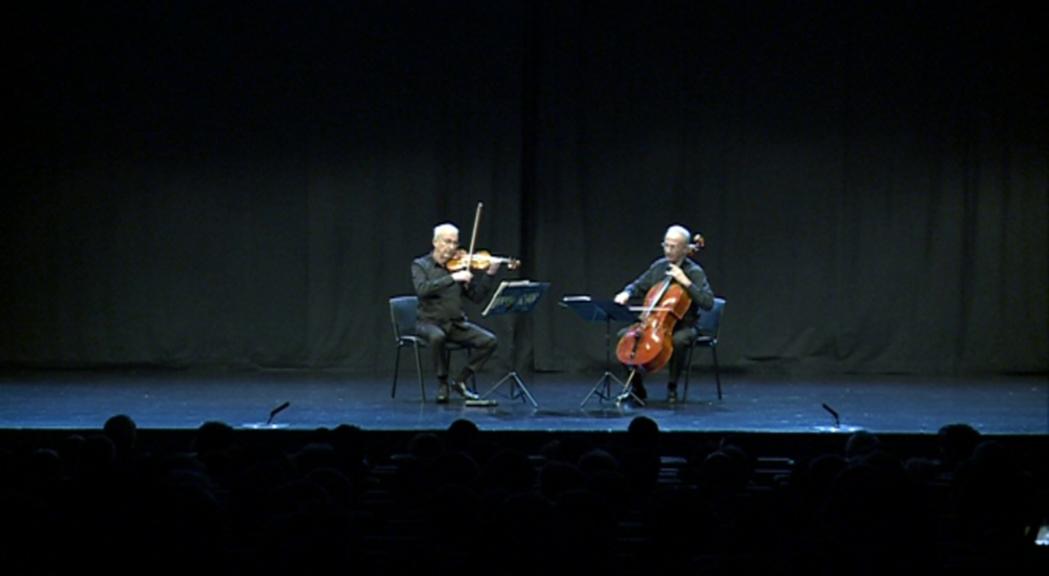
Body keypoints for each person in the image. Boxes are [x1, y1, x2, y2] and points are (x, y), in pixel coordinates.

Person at [613, 225, 714, 404]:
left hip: (685, 324)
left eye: (673, 246)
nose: (668, 250)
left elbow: (708, 302)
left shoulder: (694, 272)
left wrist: (686, 282)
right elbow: (638, 285)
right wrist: (626, 293)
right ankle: (637, 389)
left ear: (685, 249)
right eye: (666, 245)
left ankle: (672, 387)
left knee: (678, 340)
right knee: (625, 338)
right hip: (654, 324)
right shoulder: (659, 267)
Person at [412, 223, 501, 403]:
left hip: (455, 324)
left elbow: (477, 297)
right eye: (447, 242)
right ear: (435, 242)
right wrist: (452, 278)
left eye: (455, 243)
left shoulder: (460, 266)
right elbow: (422, 289)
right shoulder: (420, 265)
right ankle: (442, 383)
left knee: (489, 341)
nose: (452, 247)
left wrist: (490, 274)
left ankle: (460, 380)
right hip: (428, 322)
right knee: (438, 337)